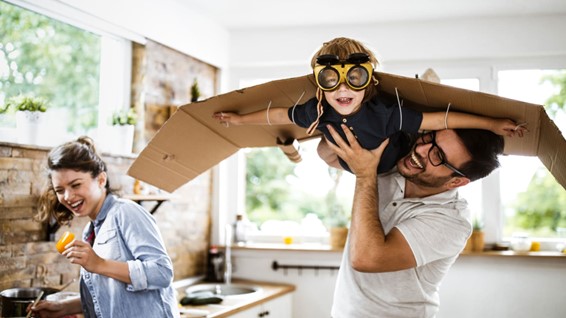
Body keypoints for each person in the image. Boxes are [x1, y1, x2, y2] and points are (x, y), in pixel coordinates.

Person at [213, 37, 526, 173]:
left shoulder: (387, 114)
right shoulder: (319, 109)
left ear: (370, 81)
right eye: (332, 79)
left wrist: (491, 123)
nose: (344, 89)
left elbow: (440, 120)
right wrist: (240, 120)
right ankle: (299, 153)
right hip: (348, 162)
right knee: (322, 149)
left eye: (356, 77)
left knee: (332, 146)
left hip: (389, 165)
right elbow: (279, 113)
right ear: (321, 82)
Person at [323, 123, 505, 317]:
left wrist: (365, 174)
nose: (420, 150)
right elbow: (328, 154)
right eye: (429, 138)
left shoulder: (452, 222)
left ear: (456, 181)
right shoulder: (394, 164)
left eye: (438, 156)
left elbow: (366, 258)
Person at [31, 136, 180, 318]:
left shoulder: (126, 212)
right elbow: (110, 295)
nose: (68, 196)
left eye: (76, 184)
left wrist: (99, 264)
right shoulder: (91, 231)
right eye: (60, 190)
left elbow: (162, 272)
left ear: (101, 180)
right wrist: (63, 308)